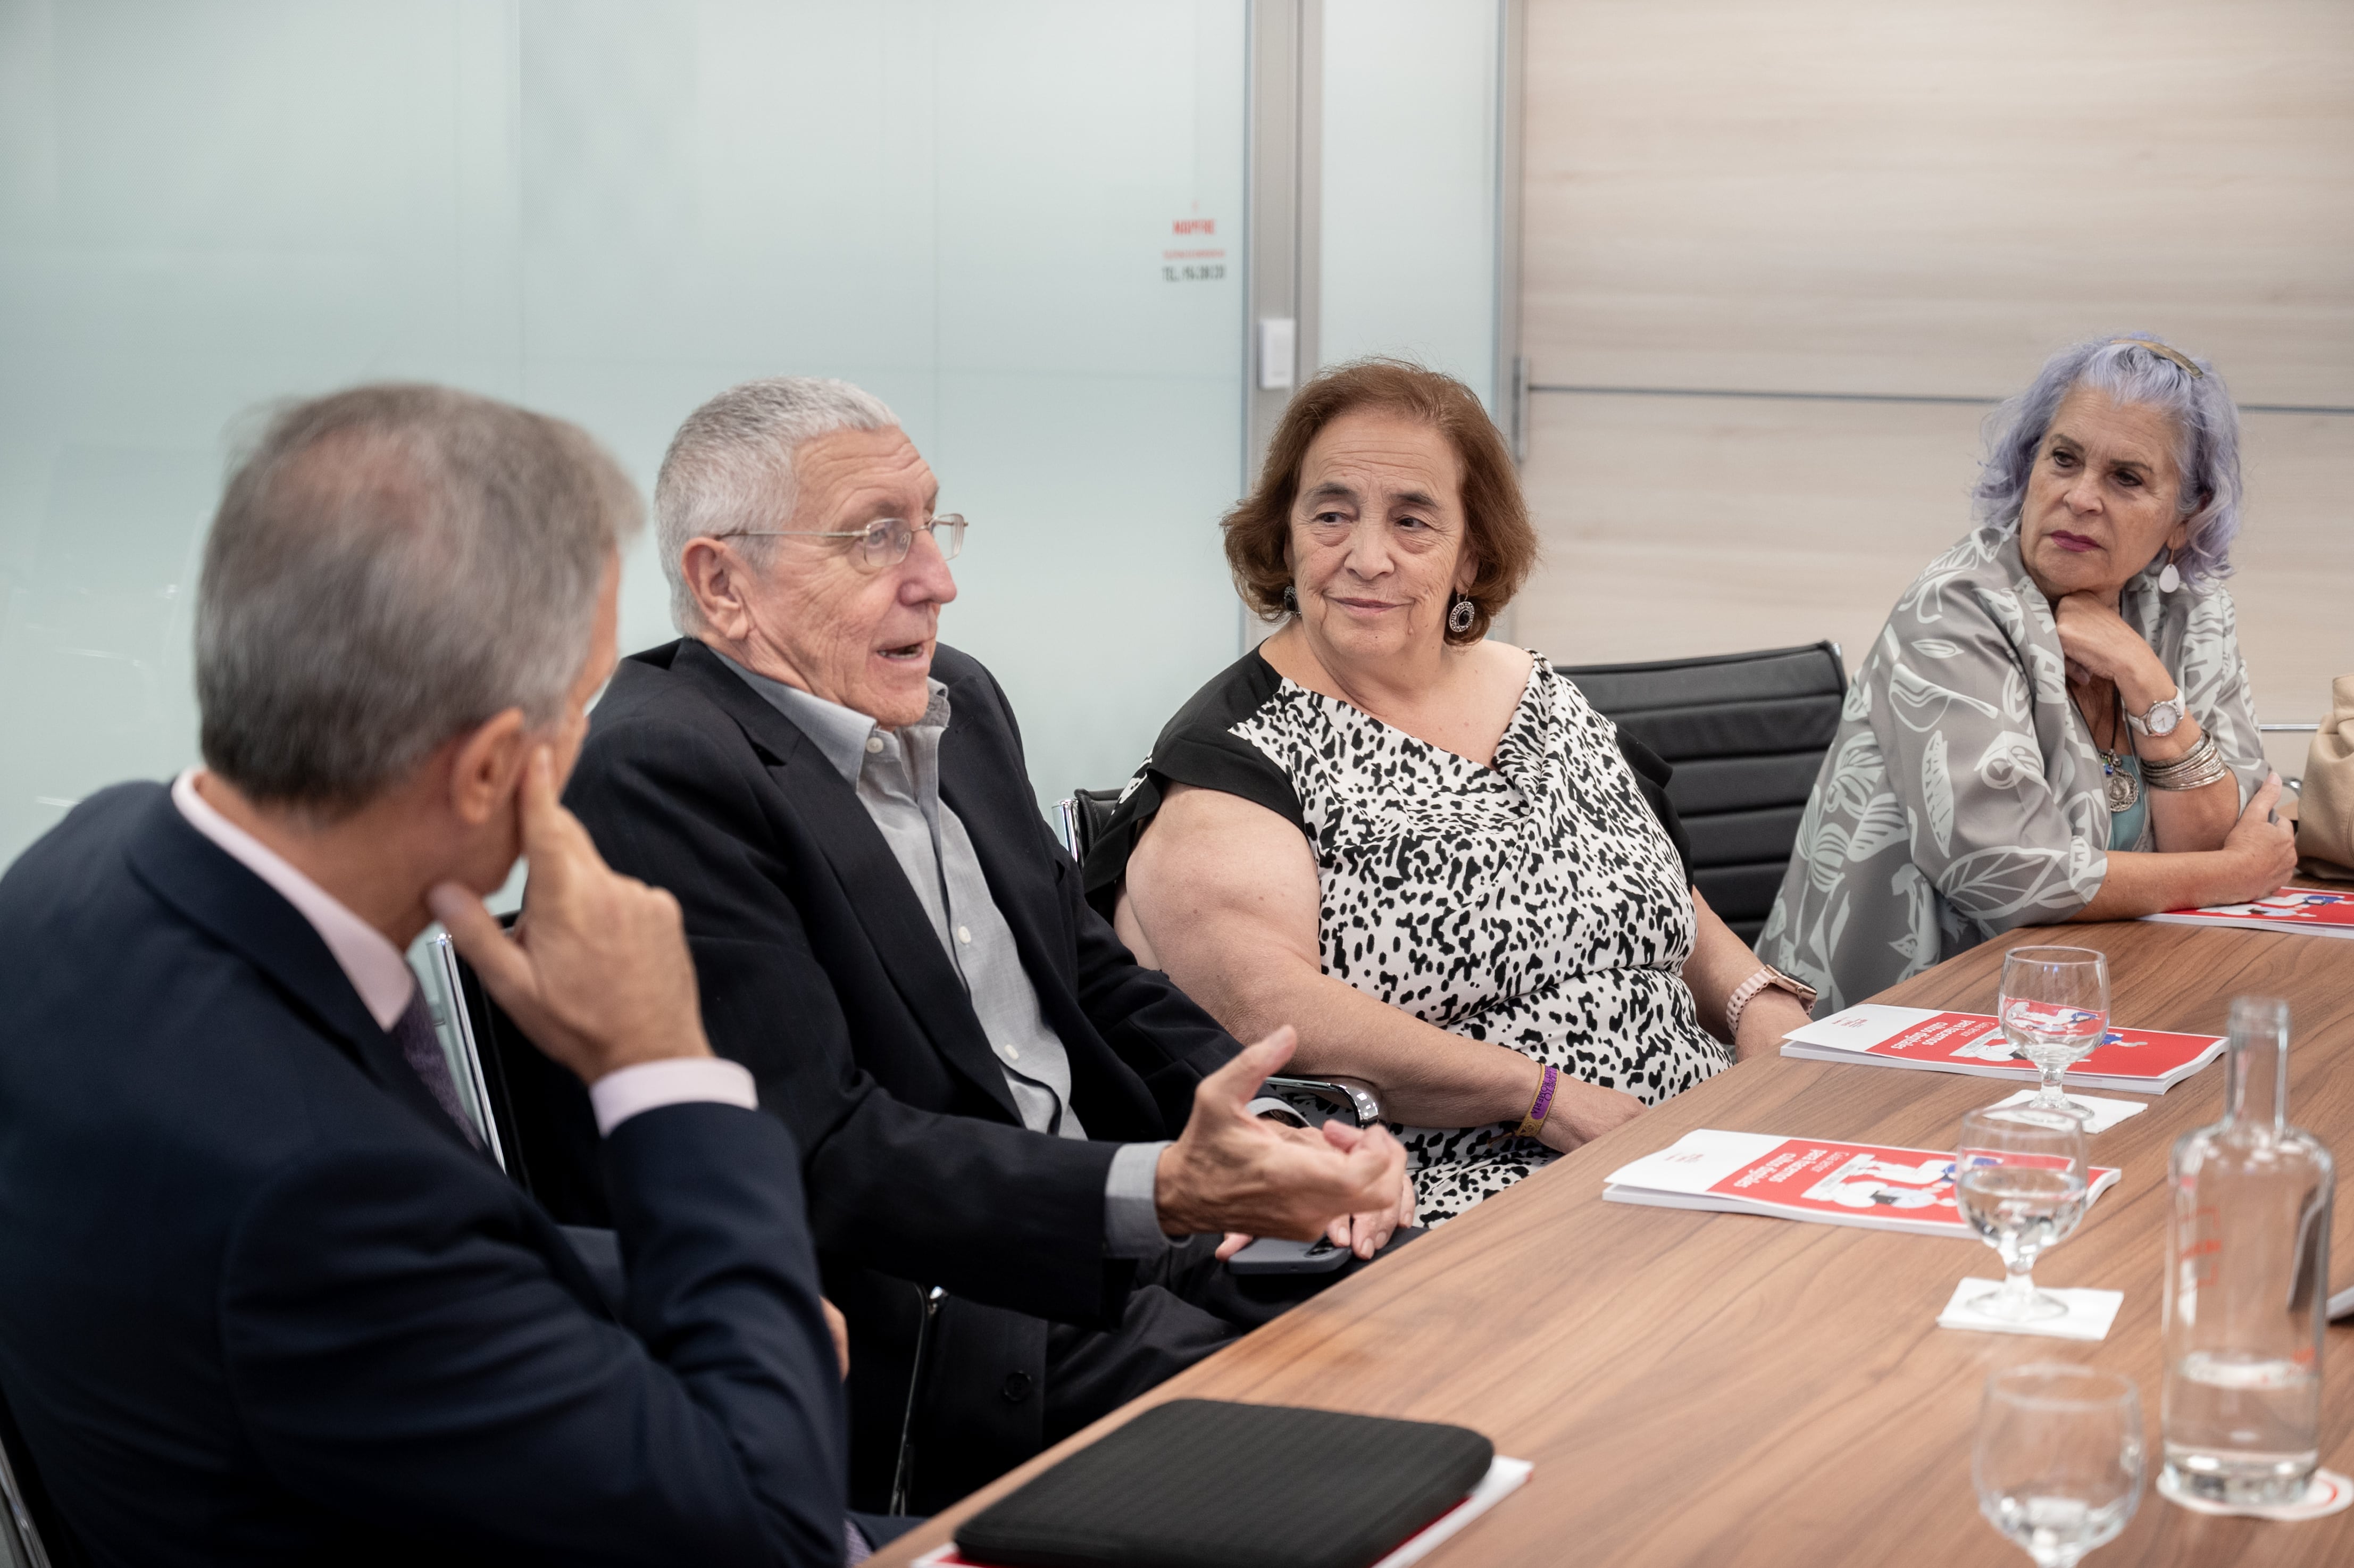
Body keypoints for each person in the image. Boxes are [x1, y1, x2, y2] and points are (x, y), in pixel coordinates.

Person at [0, 386, 879, 1565]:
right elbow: (768, 1537)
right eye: (581, 706)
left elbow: (393, 1270)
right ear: (486, 774)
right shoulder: (315, 1187)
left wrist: (683, 1274)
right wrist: (662, 1069)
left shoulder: (84, 863)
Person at [560, 377, 1409, 1513]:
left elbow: (1088, 972)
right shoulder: (662, 766)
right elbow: (825, 1150)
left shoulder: (953, 698)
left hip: (1125, 1232)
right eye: (875, 538)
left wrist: (1271, 1128)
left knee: (1446, 1318)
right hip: (960, 1319)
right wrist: (1159, 1187)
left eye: (929, 523)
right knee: (1366, 1441)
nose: (938, 580)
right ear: (723, 584)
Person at [1084, 360, 1818, 1226]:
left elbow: (1640, 877)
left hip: (1698, 1137)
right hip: (1460, 1187)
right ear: (1284, 538)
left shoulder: (1532, 686)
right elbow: (1264, 1010)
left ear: (1471, 555)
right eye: (1330, 514)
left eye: (1412, 520)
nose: (1366, 555)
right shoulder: (1230, 762)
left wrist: (1755, 1001)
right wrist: (1545, 1095)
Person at [1759, 336, 2300, 1012]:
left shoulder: (2187, 611)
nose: (2079, 497)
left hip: (2102, 993)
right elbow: (2007, 876)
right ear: (2029, 466)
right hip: (1912, 1018)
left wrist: (2145, 679)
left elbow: (2233, 822)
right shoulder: (1956, 608)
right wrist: (2229, 874)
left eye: (2125, 478)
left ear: (2184, 522)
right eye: (2063, 459)